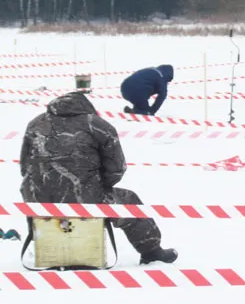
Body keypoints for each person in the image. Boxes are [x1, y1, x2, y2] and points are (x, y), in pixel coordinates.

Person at [19, 92, 177, 264]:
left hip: (39, 200)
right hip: (85, 198)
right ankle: (152, 252)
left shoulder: (35, 124)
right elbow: (116, 169)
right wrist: (99, 186)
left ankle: (43, 240)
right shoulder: (98, 125)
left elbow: (24, 166)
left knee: (36, 193)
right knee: (130, 201)